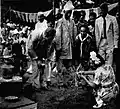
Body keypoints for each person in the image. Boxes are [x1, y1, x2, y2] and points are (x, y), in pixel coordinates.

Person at [54, 0, 77, 71]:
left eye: (70, 13)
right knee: (61, 63)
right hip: (63, 46)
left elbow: (74, 33)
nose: (69, 14)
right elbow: (58, 35)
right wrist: (59, 47)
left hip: (70, 45)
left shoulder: (72, 22)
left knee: (69, 64)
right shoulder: (60, 22)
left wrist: (74, 43)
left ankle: (68, 77)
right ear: (64, 12)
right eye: (68, 13)